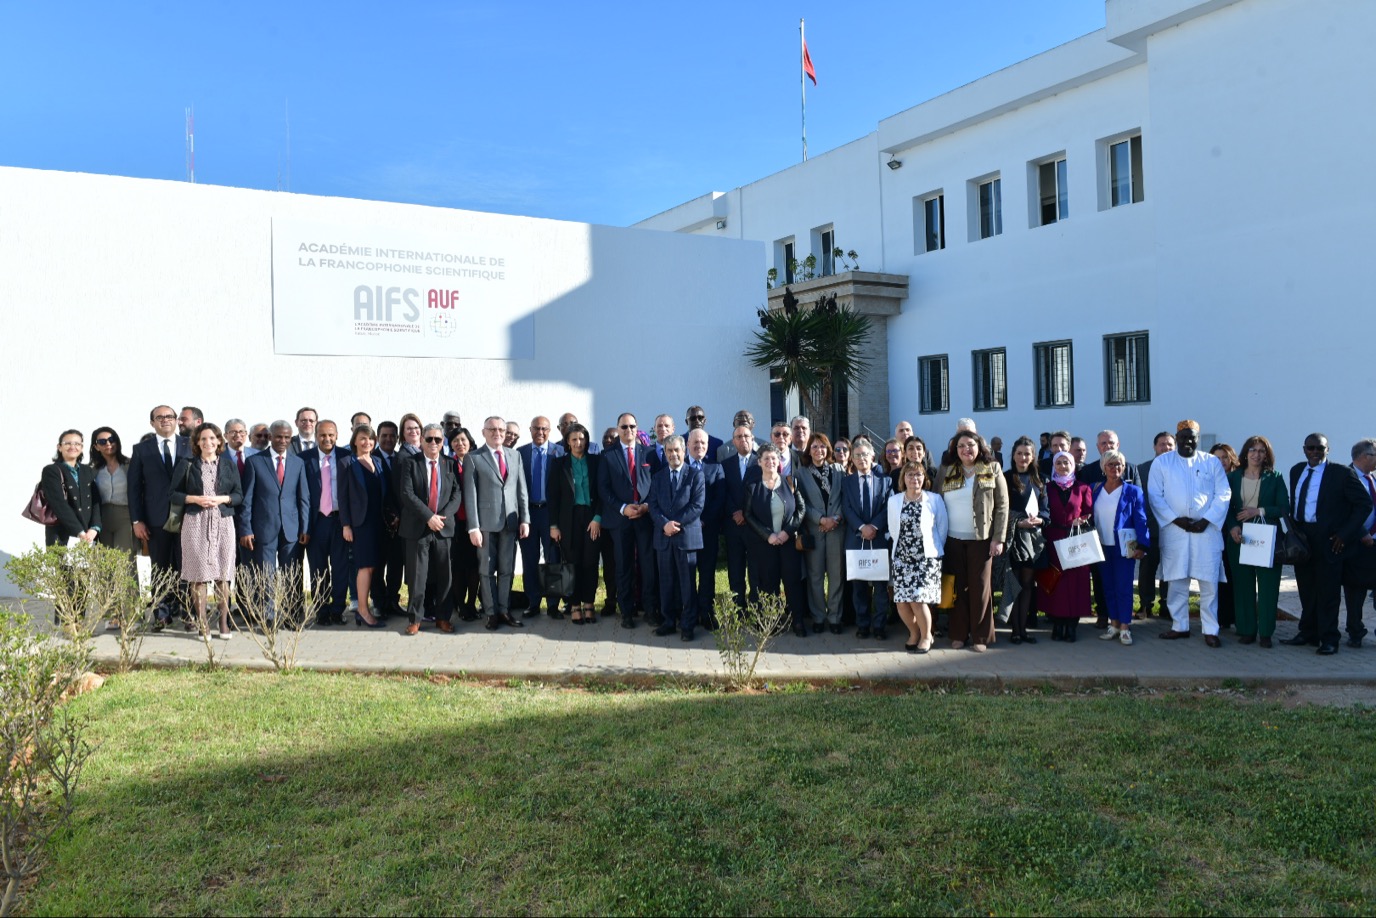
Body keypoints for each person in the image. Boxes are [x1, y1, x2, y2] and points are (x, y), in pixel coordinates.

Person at [1282, 433, 1369, 654]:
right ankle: (1308, 632)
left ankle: (1329, 638)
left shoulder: (1341, 473)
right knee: (1306, 588)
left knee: (1328, 591)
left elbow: (1363, 504)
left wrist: (1345, 534)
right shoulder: (1296, 470)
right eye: (1311, 448)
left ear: (1327, 450)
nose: (1315, 452)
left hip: (1329, 539)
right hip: (1302, 537)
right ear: (1304, 449)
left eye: (1320, 448)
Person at [1148, 420, 1232, 647]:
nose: (1188, 441)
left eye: (1192, 437)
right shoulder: (1162, 463)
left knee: (1209, 582)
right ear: (1177, 438)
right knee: (1176, 580)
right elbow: (1155, 495)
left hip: (1207, 531)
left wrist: (1207, 520)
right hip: (1175, 531)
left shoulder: (1211, 462)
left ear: (1197, 438)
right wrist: (1176, 519)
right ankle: (1179, 625)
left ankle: (1211, 629)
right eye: (1183, 437)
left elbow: (1223, 494)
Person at [937, 431, 1008, 651]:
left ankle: (981, 637)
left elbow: (1002, 506)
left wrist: (998, 538)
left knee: (980, 588)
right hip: (952, 540)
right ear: (954, 450)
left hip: (981, 540)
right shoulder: (947, 470)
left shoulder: (992, 468)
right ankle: (958, 634)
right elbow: (936, 502)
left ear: (979, 446)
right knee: (957, 588)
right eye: (960, 446)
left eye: (970, 445)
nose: (966, 449)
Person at [172, 422, 242, 640]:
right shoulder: (187, 464)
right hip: (195, 522)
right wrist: (194, 499)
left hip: (223, 522)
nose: (208, 442)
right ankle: (202, 624)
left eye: (212, 438)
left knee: (223, 574)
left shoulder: (229, 465)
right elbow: (172, 494)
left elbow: (239, 495)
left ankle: (223, 623)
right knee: (199, 576)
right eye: (203, 439)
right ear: (197, 442)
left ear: (219, 441)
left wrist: (223, 498)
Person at [237, 421, 311, 624]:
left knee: (291, 575)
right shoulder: (255, 462)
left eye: (287, 437)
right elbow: (247, 500)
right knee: (265, 576)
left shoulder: (298, 463)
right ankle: (268, 616)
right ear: (270, 437)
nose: (283, 441)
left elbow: (303, 498)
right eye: (279, 437)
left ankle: (292, 615)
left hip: (291, 530)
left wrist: (305, 527)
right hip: (263, 529)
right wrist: (246, 529)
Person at [128, 405, 192, 628]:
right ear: (152, 423)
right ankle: (161, 614)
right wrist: (137, 520)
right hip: (155, 519)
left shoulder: (190, 444)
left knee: (188, 567)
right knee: (159, 568)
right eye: (159, 417)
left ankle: (188, 614)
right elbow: (134, 488)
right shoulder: (141, 449)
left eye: (169, 417)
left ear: (176, 421)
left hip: (187, 517)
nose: (165, 420)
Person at [465, 417, 530, 631]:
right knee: (486, 570)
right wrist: (473, 527)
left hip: (510, 523)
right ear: (484, 432)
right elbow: (470, 494)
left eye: (501, 429)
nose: (497, 433)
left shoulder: (515, 455)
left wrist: (525, 519)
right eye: (492, 429)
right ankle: (490, 613)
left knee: (507, 570)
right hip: (485, 525)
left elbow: (521, 490)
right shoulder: (474, 458)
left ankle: (504, 610)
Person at [398, 424, 463, 634]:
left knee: (446, 575)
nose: (433, 443)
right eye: (429, 439)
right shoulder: (410, 463)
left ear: (443, 442)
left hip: (443, 528)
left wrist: (441, 517)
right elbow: (407, 494)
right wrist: (429, 517)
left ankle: (443, 618)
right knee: (418, 576)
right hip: (419, 528)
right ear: (422, 441)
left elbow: (457, 494)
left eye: (438, 439)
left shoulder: (450, 464)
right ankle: (415, 619)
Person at [1226, 435, 1289, 648]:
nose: (1256, 454)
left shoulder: (1275, 477)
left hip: (1266, 537)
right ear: (1245, 453)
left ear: (1267, 455)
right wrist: (1233, 526)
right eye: (1252, 450)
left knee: (1268, 586)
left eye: (1262, 450)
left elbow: (1283, 508)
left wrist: (1258, 511)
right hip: (1239, 536)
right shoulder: (1233, 477)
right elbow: (1225, 507)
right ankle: (1246, 630)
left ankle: (1266, 633)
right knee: (1243, 585)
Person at [599, 413, 659, 628]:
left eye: (632, 426)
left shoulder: (649, 454)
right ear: (618, 428)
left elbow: (656, 485)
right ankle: (626, 612)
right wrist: (623, 508)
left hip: (645, 518)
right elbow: (603, 489)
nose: (628, 430)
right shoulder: (607, 456)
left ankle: (650, 610)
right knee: (623, 567)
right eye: (624, 427)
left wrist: (646, 506)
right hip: (620, 520)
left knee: (647, 565)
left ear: (637, 427)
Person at [742, 443, 808, 637]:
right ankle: (772, 623)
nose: (771, 462)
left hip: (788, 543)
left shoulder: (790, 481)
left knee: (792, 584)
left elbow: (801, 510)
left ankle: (797, 621)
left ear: (779, 461)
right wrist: (768, 535)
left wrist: (787, 532)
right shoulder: (752, 487)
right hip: (765, 546)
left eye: (774, 458)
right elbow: (748, 515)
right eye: (766, 459)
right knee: (768, 585)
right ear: (759, 462)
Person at [649, 435, 705, 640]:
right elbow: (652, 505)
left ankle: (688, 624)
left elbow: (697, 506)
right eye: (669, 451)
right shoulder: (658, 477)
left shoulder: (695, 475)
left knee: (687, 583)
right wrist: (665, 524)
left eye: (677, 450)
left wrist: (675, 524)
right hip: (664, 537)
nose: (673, 454)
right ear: (665, 453)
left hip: (686, 537)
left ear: (684, 451)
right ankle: (668, 621)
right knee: (666, 582)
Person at [888, 461, 947, 653]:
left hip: (926, 558)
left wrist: (934, 552)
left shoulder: (934, 499)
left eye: (918, 475)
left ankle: (926, 635)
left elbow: (942, 529)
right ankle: (914, 633)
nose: (915, 479)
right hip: (902, 558)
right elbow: (892, 528)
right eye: (910, 475)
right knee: (901, 602)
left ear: (925, 478)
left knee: (918, 599)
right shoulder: (894, 501)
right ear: (903, 479)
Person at [1092, 451, 1149, 646]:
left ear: (1124, 468)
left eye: (1119, 465)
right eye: (1110, 464)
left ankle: (1125, 627)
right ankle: (1114, 624)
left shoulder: (1133, 491)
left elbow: (1141, 519)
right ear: (1103, 467)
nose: (1115, 468)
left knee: (1124, 586)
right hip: (1101, 545)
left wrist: (1143, 544)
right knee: (1107, 586)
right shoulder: (1095, 489)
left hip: (1125, 546)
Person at [548, 423, 602, 624]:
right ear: (567, 443)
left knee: (590, 563)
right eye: (574, 439)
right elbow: (553, 497)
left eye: (582, 438)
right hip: (568, 520)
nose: (579, 443)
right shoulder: (559, 464)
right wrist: (553, 525)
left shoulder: (596, 461)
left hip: (592, 519)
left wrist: (598, 518)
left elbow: (603, 492)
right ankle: (575, 605)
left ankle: (589, 603)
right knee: (572, 564)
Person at [301, 420, 352, 626]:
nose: (327, 439)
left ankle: (338, 610)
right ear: (316, 436)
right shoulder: (304, 459)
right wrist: (304, 527)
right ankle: (321, 611)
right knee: (318, 569)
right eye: (322, 435)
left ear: (337, 435)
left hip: (340, 521)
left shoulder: (347, 457)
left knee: (340, 568)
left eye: (331, 435)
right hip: (316, 522)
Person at [338, 424, 388, 628]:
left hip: (379, 521)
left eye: (370, 439)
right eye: (363, 439)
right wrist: (346, 525)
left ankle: (367, 607)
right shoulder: (347, 463)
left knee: (374, 566)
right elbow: (342, 497)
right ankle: (362, 610)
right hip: (360, 523)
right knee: (364, 566)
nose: (367, 442)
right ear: (355, 441)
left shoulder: (377, 460)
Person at [1041, 450, 1094, 641]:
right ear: (1054, 466)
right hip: (1053, 539)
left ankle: (1072, 626)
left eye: (1067, 463)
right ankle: (1057, 624)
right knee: (1056, 582)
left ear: (1073, 466)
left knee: (1076, 583)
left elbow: (1089, 512)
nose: (1063, 466)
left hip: (1076, 541)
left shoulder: (1083, 488)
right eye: (1059, 463)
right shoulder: (1046, 488)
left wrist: (1082, 520)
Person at [841, 438, 891, 639]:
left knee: (880, 587)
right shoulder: (847, 482)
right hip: (856, 539)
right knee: (859, 587)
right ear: (852, 459)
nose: (861, 458)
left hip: (878, 539)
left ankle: (879, 626)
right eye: (857, 455)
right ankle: (863, 624)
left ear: (872, 457)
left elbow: (888, 507)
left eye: (865, 454)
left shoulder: (885, 481)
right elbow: (846, 508)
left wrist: (874, 527)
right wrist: (862, 527)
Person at [796, 432, 846, 634]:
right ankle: (818, 616)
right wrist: (820, 519)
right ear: (809, 450)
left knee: (836, 576)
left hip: (837, 530)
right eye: (815, 447)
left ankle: (835, 617)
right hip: (815, 530)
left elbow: (845, 497)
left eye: (823, 446)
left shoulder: (839, 470)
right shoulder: (802, 473)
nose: (819, 451)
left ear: (829, 449)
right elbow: (801, 503)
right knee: (815, 576)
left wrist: (835, 519)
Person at [1003, 437, 1049, 644]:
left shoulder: (1040, 480)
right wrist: (1017, 522)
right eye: (1020, 453)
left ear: (1033, 457)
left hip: (1033, 540)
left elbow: (1047, 511)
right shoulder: (1005, 478)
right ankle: (1014, 629)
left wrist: (1041, 520)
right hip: (1013, 539)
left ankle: (1024, 630)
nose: (1023, 457)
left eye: (1027, 454)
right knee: (1015, 584)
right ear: (1013, 455)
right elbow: (999, 510)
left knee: (1028, 583)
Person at [517, 416, 563, 617]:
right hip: (528, 514)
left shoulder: (559, 452)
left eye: (544, 429)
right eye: (536, 428)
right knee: (530, 559)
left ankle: (553, 604)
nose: (540, 432)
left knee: (553, 559)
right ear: (530, 429)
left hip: (550, 514)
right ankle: (533, 602)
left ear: (550, 430)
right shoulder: (521, 453)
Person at [686, 428, 725, 629]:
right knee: (688, 574)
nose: (699, 446)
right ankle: (689, 613)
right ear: (687, 444)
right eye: (695, 442)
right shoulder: (680, 466)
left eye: (703, 443)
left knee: (707, 572)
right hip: (686, 532)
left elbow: (719, 499)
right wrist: (691, 521)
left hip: (707, 530)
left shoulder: (715, 468)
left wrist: (704, 520)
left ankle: (707, 612)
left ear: (708, 446)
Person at [1341, 438, 1376, 649]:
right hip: (1357, 543)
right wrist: (1361, 532)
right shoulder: (1346, 476)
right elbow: (1343, 510)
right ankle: (1355, 631)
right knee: (1355, 591)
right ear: (1365, 456)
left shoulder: (1373, 479)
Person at [1137, 431, 1176, 617]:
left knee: (1170, 571)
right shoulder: (1142, 469)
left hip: (1174, 529)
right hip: (1150, 528)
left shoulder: (1180, 469)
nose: (1166, 448)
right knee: (1147, 570)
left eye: (1169, 444)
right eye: (1162, 444)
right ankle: (1146, 605)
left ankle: (1167, 605)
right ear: (1154, 447)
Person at [43, 429, 101, 548]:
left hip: (88, 534)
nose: (72, 446)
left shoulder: (87, 470)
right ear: (59, 447)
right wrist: (79, 531)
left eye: (77, 444)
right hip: (61, 533)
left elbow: (96, 500)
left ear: (82, 447)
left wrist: (95, 528)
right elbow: (59, 504)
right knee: (62, 566)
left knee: (88, 567)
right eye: (68, 443)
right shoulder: (51, 471)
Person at [721, 424, 758, 612]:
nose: (743, 439)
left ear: (752, 439)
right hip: (733, 525)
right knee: (735, 567)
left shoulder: (761, 462)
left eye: (746, 436)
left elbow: (762, 493)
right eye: (739, 437)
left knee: (755, 568)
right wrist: (734, 512)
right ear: (733, 441)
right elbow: (723, 492)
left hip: (754, 526)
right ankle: (738, 607)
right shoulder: (725, 465)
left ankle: (756, 605)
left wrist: (746, 512)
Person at [447, 428, 481, 621]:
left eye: (463, 440)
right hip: (456, 523)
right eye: (455, 441)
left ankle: (471, 604)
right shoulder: (449, 464)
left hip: (475, 522)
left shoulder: (477, 461)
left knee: (474, 566)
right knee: (458, 567)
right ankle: (460, 605)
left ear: (470, 441)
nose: (460, 443)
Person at [1209, 443, 1241, 629]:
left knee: (1235, 575)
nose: (1221, 461)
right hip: (1215, 531)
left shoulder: (1238, 478)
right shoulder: (1208, 479)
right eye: (1217, 458)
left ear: (1231, 459)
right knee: (1219, 576)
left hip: (1234, 531)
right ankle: (1222, 617)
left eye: (1225, 457)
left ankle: (1238, 616)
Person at [90, 426, 135, 557]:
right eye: (102, 442)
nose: (108, 444)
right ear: (96, 447)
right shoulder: (92, 469)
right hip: (102, 517)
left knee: (126, 561)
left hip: (125, 515)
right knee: (104, 562)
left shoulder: (130, 465)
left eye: (111, 439)